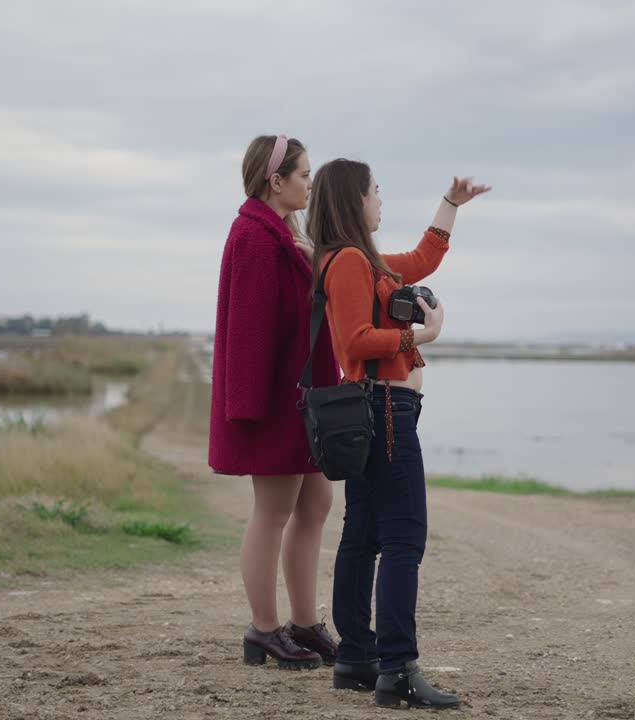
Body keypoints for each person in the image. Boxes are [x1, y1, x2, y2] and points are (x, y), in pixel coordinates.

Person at [306, 158, 490, 708]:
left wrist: (451, 205)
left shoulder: (366, 262)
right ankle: (397, 670)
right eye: (375, 191)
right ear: (352, 200)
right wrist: (419, 337)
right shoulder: (347, 264)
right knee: (404, 538)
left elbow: (423, 258)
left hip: (382, 409)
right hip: (385, 410)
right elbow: (355, 341)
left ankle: (358, 658)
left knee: (363, 536)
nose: (380, 199)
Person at [209, 134, 341, 670]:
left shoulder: (286, 234)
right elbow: (248, 330)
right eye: (304, 174)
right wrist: (249, 411)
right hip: (274, 402)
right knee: (273, 511)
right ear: (276, 179)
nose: (311, 182)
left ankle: (305, 624)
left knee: (316, 504)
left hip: (303, 394)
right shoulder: (254, 235)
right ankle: (264, 629)